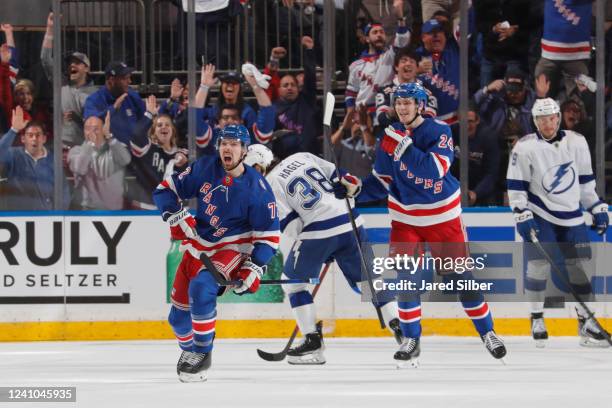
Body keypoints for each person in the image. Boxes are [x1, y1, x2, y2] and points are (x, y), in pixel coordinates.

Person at [356, 83, 507, 367]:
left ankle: (488, 332)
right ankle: (412, 339)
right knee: (405, 281)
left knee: (459, 280)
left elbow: (434, 170)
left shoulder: (439, 131)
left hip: (442, 218)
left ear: (421, 105)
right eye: (398, 102)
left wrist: (402, 145)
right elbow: (382, 182)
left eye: (409, 102)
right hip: (405, 219)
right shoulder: (389, 136)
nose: (402, 107)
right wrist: (354, 191)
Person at [244, 144, 403, 365]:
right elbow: (342, 178)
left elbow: (291, 226)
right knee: (369, 282)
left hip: (319, 229)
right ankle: (401, 327)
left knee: (293, 284)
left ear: (258, 167)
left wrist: (319, 248)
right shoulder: (300, 154)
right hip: (351, 219)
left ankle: (312, 341)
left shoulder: (267, 186)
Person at [152, 124, 279, 382]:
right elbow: (164, 190)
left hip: (231, 247)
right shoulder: (204, 168)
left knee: (201, 288)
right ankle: (191, 352)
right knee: (177, 319)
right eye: (224, 143)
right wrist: (175, 215)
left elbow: (269, 237)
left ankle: (203, 352)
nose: (227, 148)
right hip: (198, 245)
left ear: (244, 150)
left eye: (233, 144)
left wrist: (254, 267)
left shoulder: (259, 190)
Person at [506, 97, 610, 348]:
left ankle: (586, 323)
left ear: (558, 118)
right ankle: (537, 317)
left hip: (572, 215)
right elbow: (516, 186)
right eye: (541, 119)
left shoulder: (577, 142)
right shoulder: (525, 147)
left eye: (551, 117)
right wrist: (521, 212)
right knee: (539, 264)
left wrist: (595, 206)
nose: (547, 123)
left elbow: (585, 183)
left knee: (580, 269)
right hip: (540, 213)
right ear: (535, 121)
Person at [344, 2, 410, 124]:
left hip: (384, 110)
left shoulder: (389, 56)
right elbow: (351, 92)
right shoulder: (355, 65)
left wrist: (400, 18)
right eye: (375, 32)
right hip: (363, 114)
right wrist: (351, 113)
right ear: (367, 38)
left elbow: (402, 40)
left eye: (381, 32)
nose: (379, 35)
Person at [194, 63, 275, 154]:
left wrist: (256, 86)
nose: (230, 121)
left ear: (241, 122)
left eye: (235, 117)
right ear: (218, 123)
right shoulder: (213, 135)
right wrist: (204, 87)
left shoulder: (248, 116)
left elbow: (267, 120)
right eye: (225, 118)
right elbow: (194, 119)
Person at [0, 106, 67, 210]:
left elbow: (64, 191)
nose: (34, 139)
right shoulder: (14, 155)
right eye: (30, 135)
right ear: (23, 139)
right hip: (18, 219)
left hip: (46, 218)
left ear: (44, 139)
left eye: (38, 135)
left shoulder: (53, 161)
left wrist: (58, 214)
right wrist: (14, 130)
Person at [128, 95, 188, 210]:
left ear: (173, 131)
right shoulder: (147, 149)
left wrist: (184, 162)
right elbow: (136, 135)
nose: (163, 127)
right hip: (146, 209)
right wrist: (149, 114)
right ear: (154, 132)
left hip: (174, 212)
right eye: (159, 125)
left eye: (167, 125)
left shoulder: (183, 153)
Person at [68, 112, 132, 210]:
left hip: (114, 210)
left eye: (96, 128)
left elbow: (126, 160)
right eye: (87, 128)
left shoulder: (115, 148)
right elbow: (80, 168)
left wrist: (109, 136)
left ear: (104, 130)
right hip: (86, 211)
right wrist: (90, 145)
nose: (91, 132)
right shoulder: (75, 151)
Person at [83, 61, 146, 145]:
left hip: (133, 153)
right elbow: (92, 125)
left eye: (129, 77)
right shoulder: (94, 100)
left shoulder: (132, 96)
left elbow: (144, 122)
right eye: (125, 78)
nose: (130, 81)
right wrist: (114, 108)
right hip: (106, 154)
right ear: (111, 80)